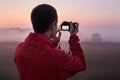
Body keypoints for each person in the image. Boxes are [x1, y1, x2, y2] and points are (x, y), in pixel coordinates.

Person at [14, 4, 86, 80]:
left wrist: (53, 43)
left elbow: (40, 54)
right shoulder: (58, 57)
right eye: (56, 24)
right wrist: (73, 36)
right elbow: (80, 64)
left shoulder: (19, 49)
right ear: (53, 25)